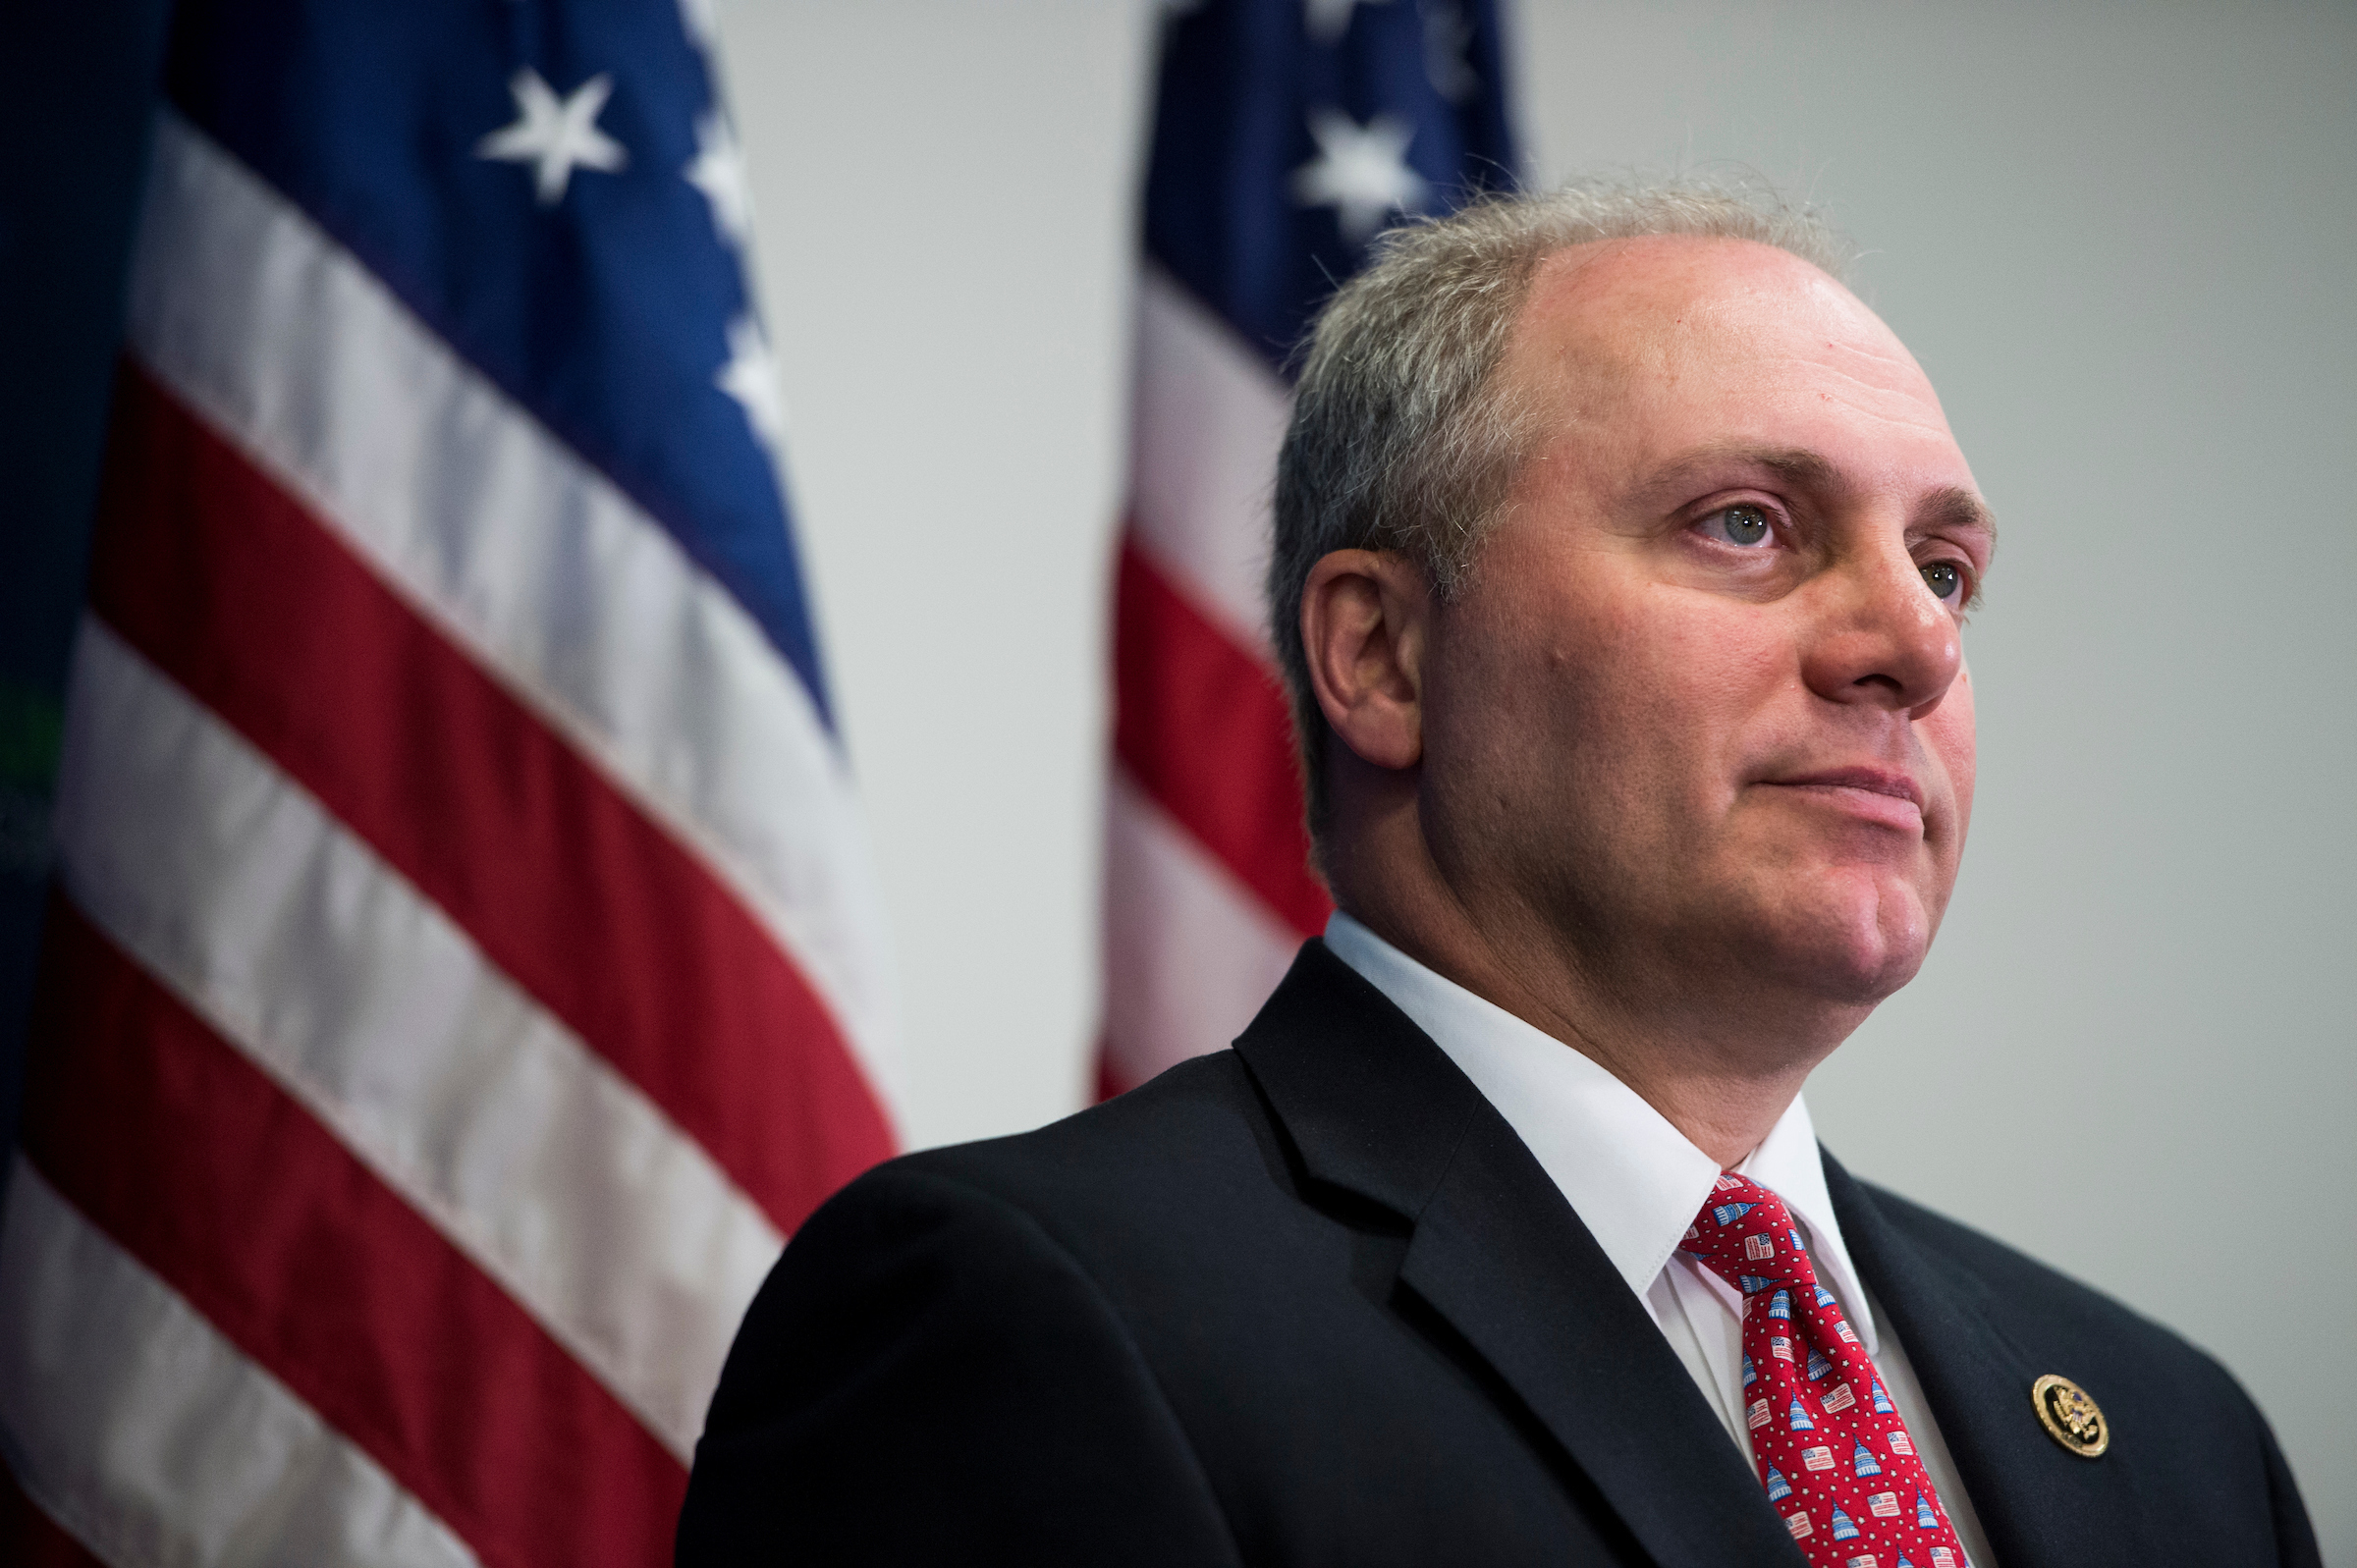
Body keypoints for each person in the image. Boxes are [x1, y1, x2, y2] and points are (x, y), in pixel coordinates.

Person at [676, 181, 2321, 1566]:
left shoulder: (2174, 1435)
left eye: (1946, 567)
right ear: (1384, 655)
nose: (1911, 645)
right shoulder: (1027, 1323)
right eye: (1747, 523)